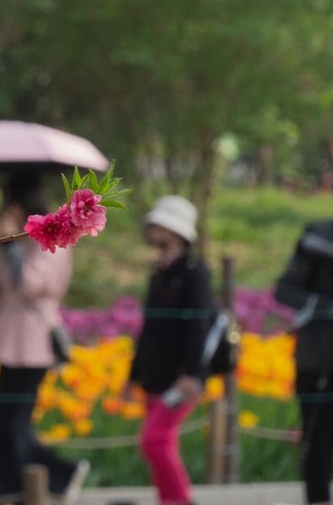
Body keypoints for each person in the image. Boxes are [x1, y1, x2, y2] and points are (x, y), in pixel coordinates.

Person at [0, 172, 89, 504]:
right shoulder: (25, 240)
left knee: (15, 420)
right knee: (6, 418)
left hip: (33, 342)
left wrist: (8, 243)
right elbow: (4, 285)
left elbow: (27, 285)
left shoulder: (52, 239)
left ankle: (57, 475)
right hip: (14, 339)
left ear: (19, 205)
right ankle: (7, 486)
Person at [125, 195, 214, 505]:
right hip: (155, 373)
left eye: (160, 224)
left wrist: (192, 373)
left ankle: (179, 500)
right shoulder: (160, 271)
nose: (153, 230)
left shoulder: (195, 272)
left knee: (155, 442)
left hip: (181, 377)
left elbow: (198, 326)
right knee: (163, 443)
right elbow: (149, 328)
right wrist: (133, 375)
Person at [273, 183, 333, 505]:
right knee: (317, 446)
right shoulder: (318, 239)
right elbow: (285, 290)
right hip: (321, 363)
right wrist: (327, 306)